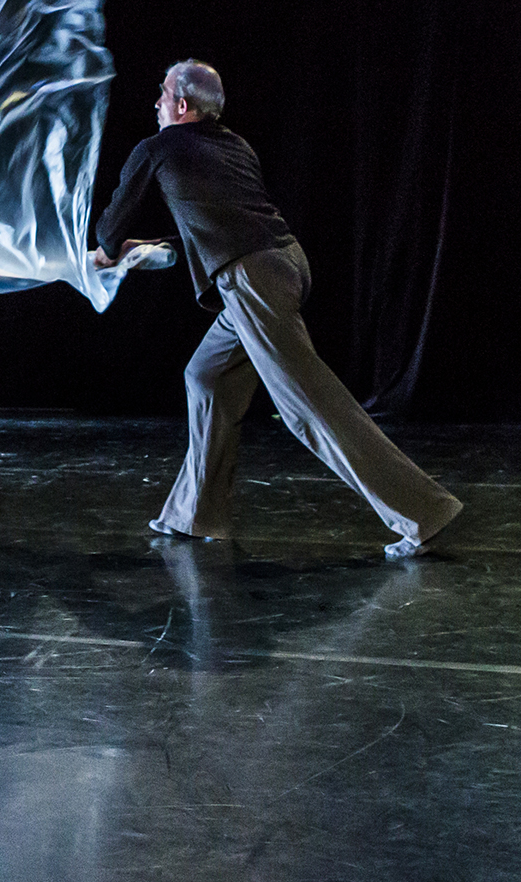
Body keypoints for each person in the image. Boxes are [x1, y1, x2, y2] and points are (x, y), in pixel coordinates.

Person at [91, 60, 462, 559]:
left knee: (306, 404)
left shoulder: (156, 149)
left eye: (162, 94)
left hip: (252, 280)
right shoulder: (234, 145)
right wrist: (154, 246)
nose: (155, 102)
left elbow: (109, 230)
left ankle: (422, 512)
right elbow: (222, 219)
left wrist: (106, 252)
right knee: (206, 376)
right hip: (283, 264)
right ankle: (193, 514)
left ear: (181, 105)